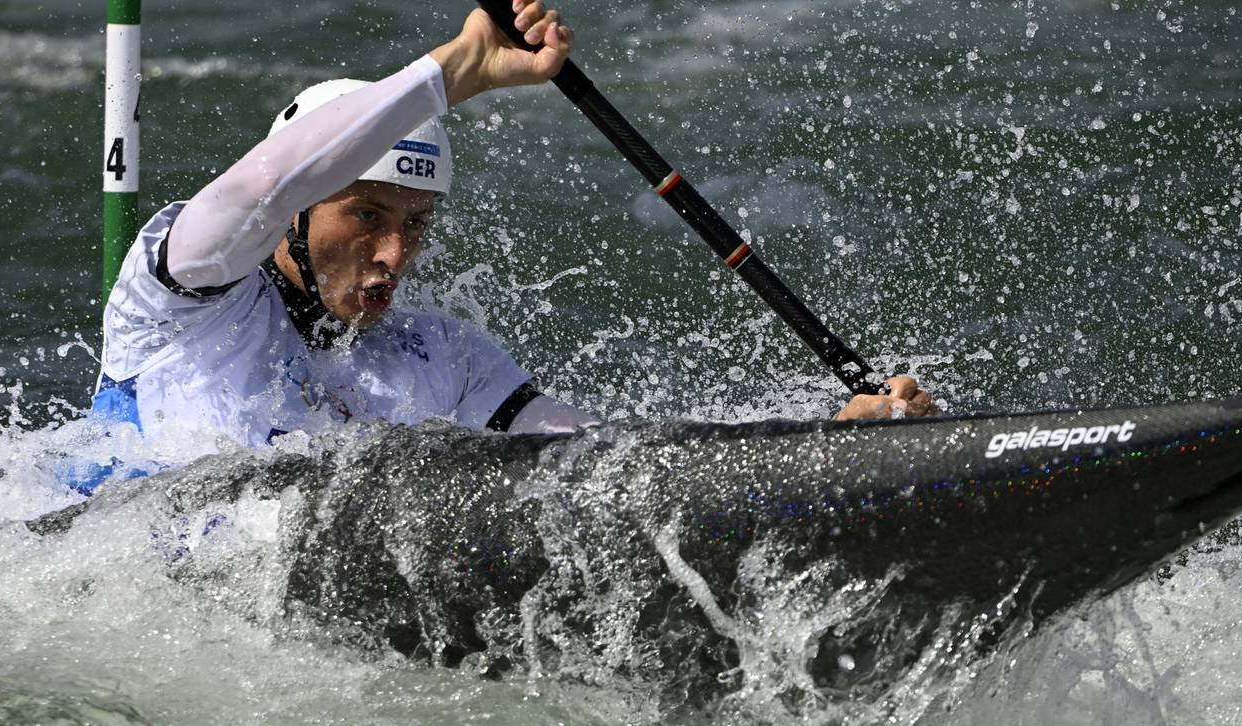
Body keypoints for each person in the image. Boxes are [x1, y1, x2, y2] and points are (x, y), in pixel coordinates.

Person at [89, 3, 936, 462]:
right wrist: (454, 71)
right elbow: (268, 179)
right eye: (367, 215)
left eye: (415, 225)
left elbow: (615, 459)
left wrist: (825, 449)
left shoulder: (439, 361)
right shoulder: (184, 292)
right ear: (300, 214)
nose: (393, 255)